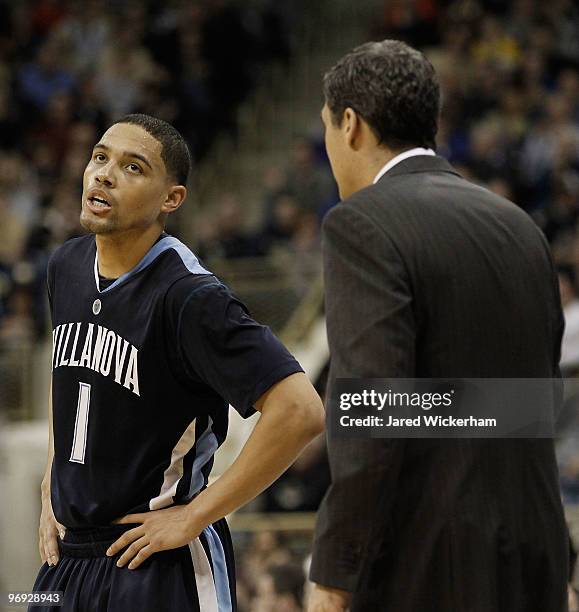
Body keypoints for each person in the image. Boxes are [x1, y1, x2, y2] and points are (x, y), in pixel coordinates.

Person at [307, 40, 569, 611]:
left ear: (350, 124)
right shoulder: (519, 225)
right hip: (537, 553)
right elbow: (537, 404)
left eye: (327, 128)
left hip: (427, 566)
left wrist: (335, 567)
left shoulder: (361, 224)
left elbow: (374, 410)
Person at [31, 113, 325, 612]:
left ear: (172, 199)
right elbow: (77, 394)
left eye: (133, 167)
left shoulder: (190, 297)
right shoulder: (66, 266)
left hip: (156, 563)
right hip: (67, 563)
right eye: (100, 157)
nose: (103, 174)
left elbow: (301, 411)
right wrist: (50, 487)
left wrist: (195, 517)